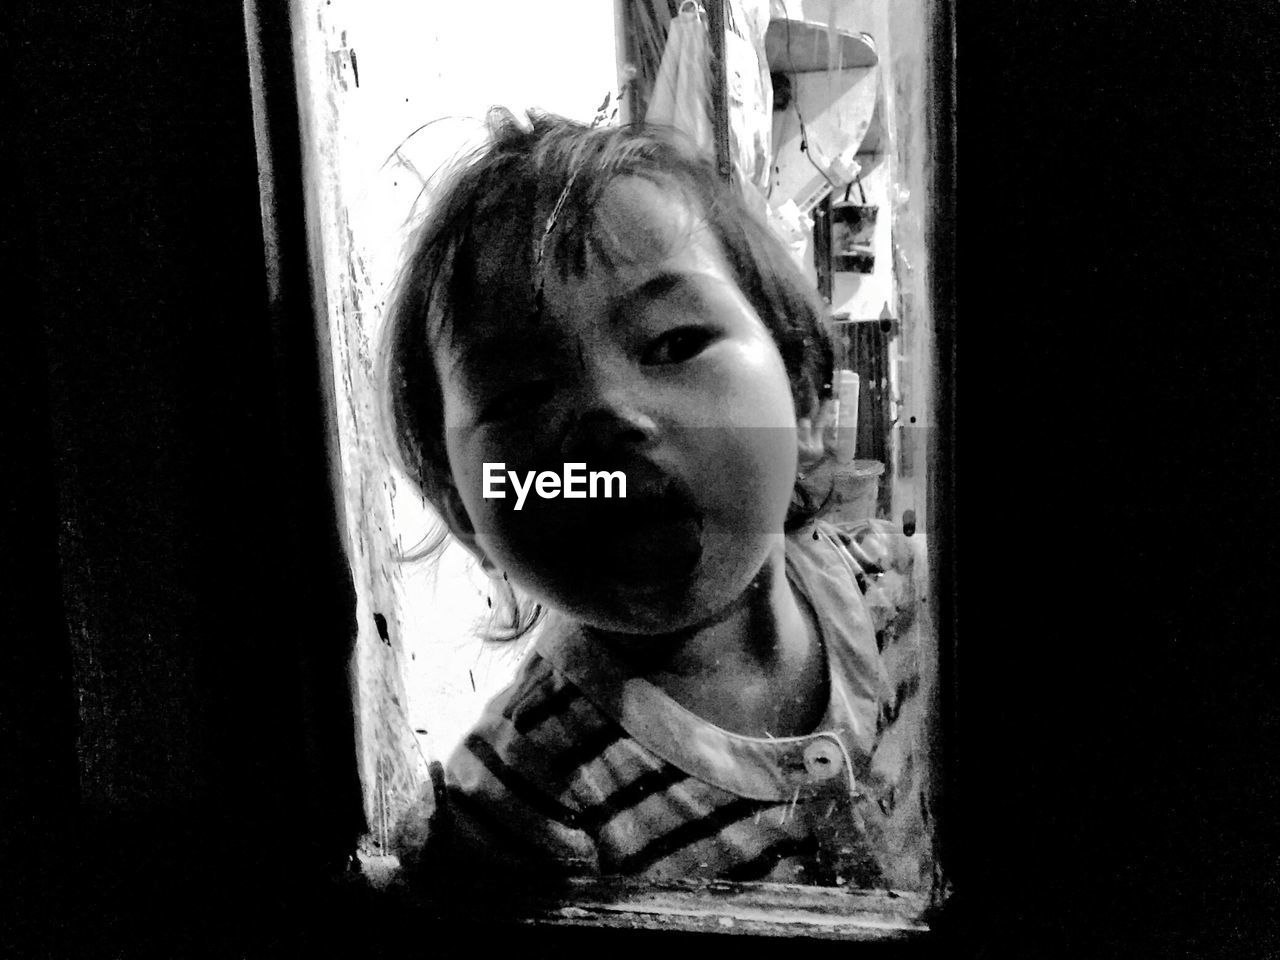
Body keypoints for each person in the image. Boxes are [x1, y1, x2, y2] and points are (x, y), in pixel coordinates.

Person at [381, 108, 929, 891]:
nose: (606, 417)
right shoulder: (522, 810)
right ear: (466, 510)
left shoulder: (908, 596)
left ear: (804, 395)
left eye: (674, 343)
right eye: (521, 394)